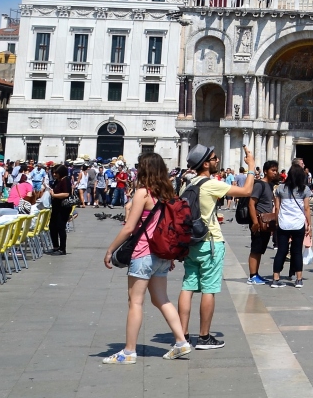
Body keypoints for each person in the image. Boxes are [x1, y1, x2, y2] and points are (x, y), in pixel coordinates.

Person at [101, 152, 193, 363]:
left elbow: (129, 228)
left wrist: (110, 250)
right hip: (162, 254)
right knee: (161, 299)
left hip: (143, 253)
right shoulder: (168, 192)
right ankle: (181, 342)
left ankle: (129, 351)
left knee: (135, 301)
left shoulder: (143, 193)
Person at [178, 144, 256, 350]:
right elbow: (247, 190)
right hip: (210, 242)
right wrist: (251, 166)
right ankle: (203, 337)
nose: (217, 161)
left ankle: (182, 336)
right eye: (214, 158)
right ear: (204, 163)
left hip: (190, 243)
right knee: (208, 290)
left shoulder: (187, 184)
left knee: (187, 287)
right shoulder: (210, 184)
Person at [271, 164, 311, 288]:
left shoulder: (280, 188)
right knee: (297, 251)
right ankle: (299, 279)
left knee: (281, 251)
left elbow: (277, 207)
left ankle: (275, 279)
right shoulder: (304, 189)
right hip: (298, 223)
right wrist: (309, 224)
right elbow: (306, 208)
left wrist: (277, 221)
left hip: (283, 223)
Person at [247, 160, 281, 284]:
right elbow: (251, 204)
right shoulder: (259, 185)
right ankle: (252, 276)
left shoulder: (271, 186)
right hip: (258, 222)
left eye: (276, 170)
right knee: (255, 249)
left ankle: (256, 273)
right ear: (265, 171)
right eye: (273, 170)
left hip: (266, 222)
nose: (275, 173)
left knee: (260, 249)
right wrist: (255, 222)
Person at [48, 164, 74, 254]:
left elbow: (66, 194)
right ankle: (55, 246)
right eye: (53, 172)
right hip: (56, 207)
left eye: (56, 172)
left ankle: (62, 248)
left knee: (60, 227)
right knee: (52, 226)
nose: (54, 174)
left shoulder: (65, 180)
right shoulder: (57, 181)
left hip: (63, 208)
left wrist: (54, 195)